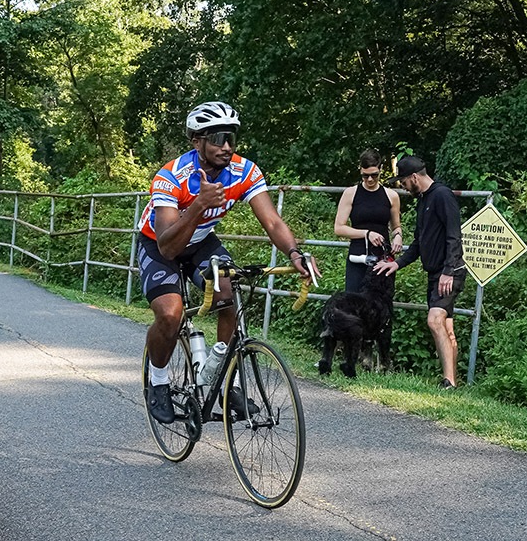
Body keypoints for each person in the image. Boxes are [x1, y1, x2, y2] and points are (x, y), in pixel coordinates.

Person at [137, 101, 318, 423]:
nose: (227, 146)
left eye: (231, 137)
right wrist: (198, 205)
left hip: (201, 242)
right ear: (197, 141)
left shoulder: (243, 171)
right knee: (169, 314)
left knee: (227, 295)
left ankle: (228, 381)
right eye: (218, 138)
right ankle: (159, 382)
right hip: (159, 243)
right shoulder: (171, 177)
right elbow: (167, 247)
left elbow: (273, 223)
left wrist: (294, 252)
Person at [373, 156, 466, 389]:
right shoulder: (424, 200)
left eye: (403, 182)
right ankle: (453, 380)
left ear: (414, 177)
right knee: (446, 326)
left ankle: (449, 382)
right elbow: (418, 243)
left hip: (449, 271)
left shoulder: (442, 196)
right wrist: (397, 264)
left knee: (435, 320)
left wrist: (448, 271)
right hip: (436, 271)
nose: (403, 187)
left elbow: (454, 236)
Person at [333, 148, 402, 292]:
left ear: (381, 169)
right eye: (365, 176)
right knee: (353, 303)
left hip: (383, 257)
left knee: (380, 304)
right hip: (358, 255)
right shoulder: (350, 193)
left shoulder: (392, 196)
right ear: (360, 171)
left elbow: (396, 226)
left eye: (374, 175)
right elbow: (339, 228)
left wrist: (398, 237)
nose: (370, 179)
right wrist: (367, 233)